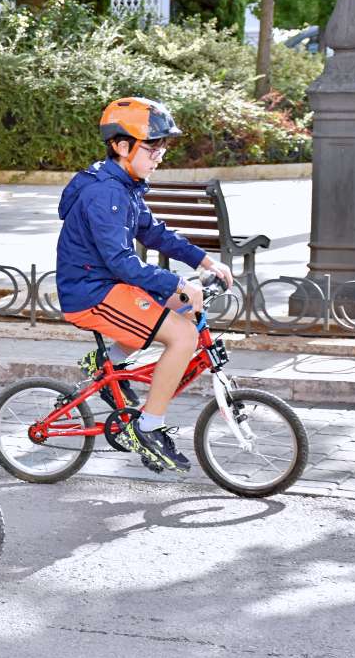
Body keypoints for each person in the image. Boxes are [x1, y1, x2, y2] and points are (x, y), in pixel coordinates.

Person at [55, 97, 233, 472]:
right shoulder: (105, 193)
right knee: (183, 337)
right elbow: (120, 261)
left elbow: (152, 232)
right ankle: (148, 428)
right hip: (92, 293)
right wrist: (177, 281)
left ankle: (106, 362)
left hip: (107, 285)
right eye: (152, 146)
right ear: (122, 146)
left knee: (181, 308)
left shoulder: (125, 184)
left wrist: (203, 260)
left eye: (163, 146)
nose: (160, 154)